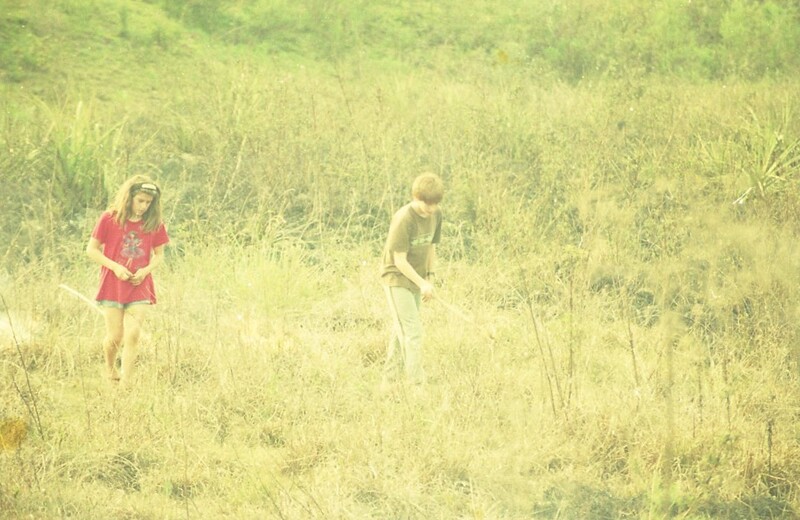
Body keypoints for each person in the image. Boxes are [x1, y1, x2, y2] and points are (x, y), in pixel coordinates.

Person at [86, 175, 169, 387]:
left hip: (139, 285)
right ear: (129, 197)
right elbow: (92, 250)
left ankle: (126, 384)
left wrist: (145, 271)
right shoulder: (109, 219)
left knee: (133, 334)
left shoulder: (154, 224)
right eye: (140, 200)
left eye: (148, 202)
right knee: (115, 336)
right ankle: (109, 367)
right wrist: (115, 267)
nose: (143, 206)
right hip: (112, 285)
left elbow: (159, 255)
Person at [380, 172, 444, 389]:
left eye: (435, 204)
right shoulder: (403, 219)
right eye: (427, 204)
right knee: (413, 332)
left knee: (402, 331)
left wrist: (429, 277)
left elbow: (431, 247)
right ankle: (417, 385)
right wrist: (422, 283)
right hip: (396, 278)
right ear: (416, 197)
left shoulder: (436, 215)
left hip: (417, 278)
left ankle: (388, 382)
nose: (431, 209)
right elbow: (399, 260)